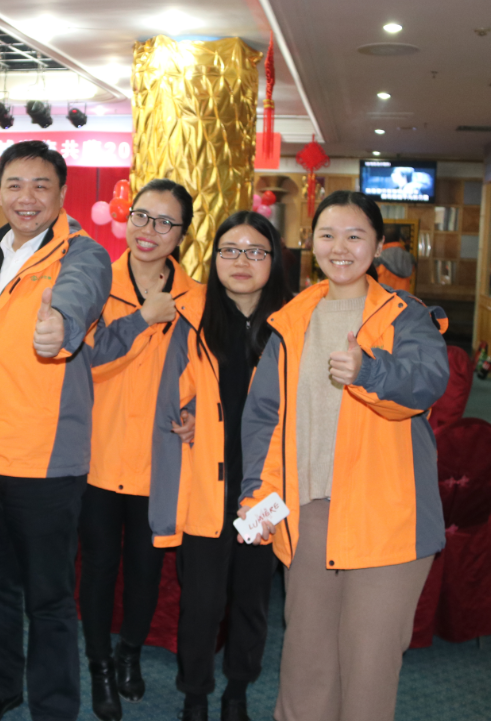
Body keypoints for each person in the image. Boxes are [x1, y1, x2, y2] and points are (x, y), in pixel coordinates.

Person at [240, 190, 449, 721]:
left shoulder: (407, 316)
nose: (340, 247)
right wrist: (256, 496)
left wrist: (369, 370)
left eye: (355, 236)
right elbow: (265, 418)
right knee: (305, 664)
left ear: (377, 246)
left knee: (368, 669)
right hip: (309, 514)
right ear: (310, 243)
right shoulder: (291, 321)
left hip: (389, 516)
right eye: (328, 235)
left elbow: (426, 384)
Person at [0, 141, 112, 721]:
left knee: (49, 599)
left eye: (41, 185)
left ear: (61, 194)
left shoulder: (82, 254)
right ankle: (2, 686)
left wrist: (60, 326)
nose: (28, 197)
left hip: (44, 463)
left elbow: (78, 296)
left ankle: (54, 707)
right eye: (16, 185)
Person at [153, 212, 292, 721]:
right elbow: (169, 394)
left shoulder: (292, 325)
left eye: (255, 251)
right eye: (230, 250)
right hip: (205, 486)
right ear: (214, 260)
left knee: (252, 601)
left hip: (265, 487)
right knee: (202, 603)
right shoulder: (192, 320)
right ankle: (195, 695)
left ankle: (237, 692)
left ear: (274, 261)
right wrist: (185, 412)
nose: (241, 261)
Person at [80, 179, 199, 721]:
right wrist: (142, 319)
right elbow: (83, 361)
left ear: (182, 234)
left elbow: (206, 372)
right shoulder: (96, 283)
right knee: (99, 567)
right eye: (142, 216)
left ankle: (129, 651)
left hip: (161, 459)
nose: (150, 231)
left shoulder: (196, 297)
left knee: (147, 569)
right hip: (98, 454)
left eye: (166, 222)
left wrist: (197, 412)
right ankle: (100, 665)